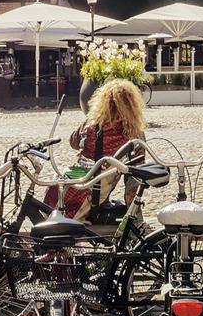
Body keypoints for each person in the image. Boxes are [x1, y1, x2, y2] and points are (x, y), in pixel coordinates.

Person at [58, 78, 147, 215]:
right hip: (95, 194)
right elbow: (133, 183)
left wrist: (89, 121)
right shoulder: (134, 136)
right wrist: (135, 219)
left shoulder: (91, 125)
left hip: (71, 186)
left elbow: (73, 142)